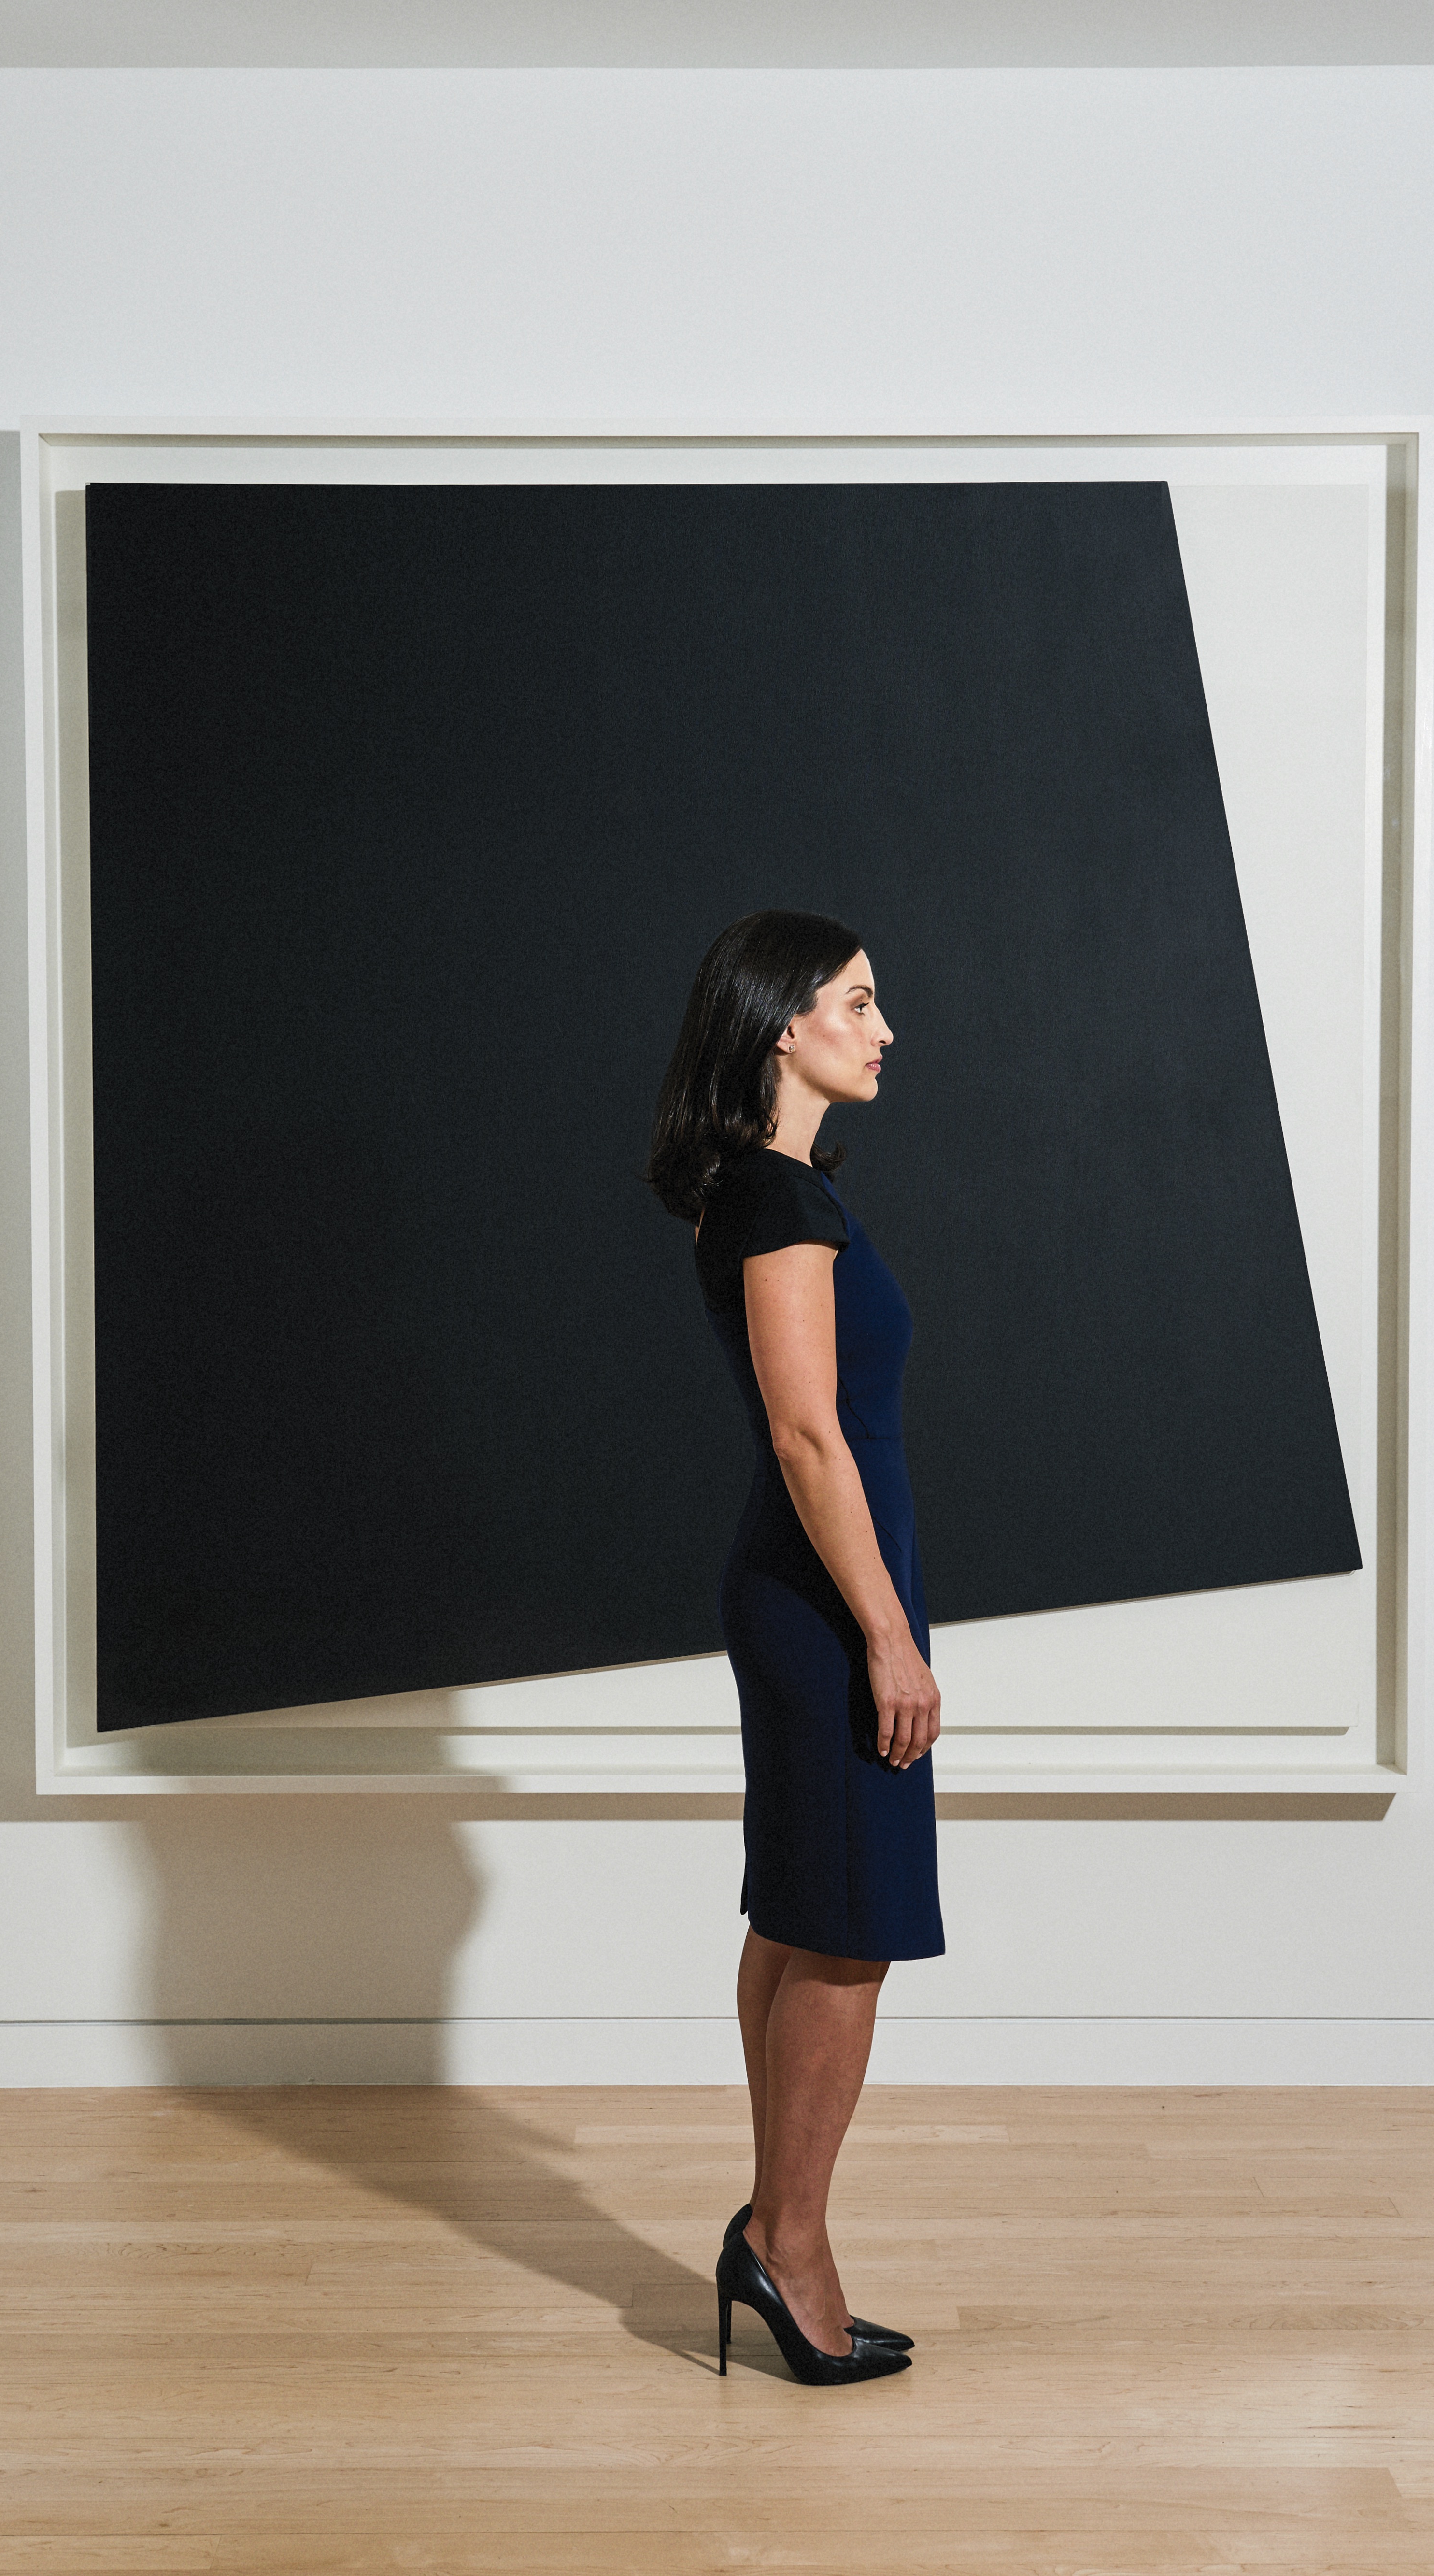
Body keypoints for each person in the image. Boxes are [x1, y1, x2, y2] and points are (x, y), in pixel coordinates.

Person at [646, 909, 944, 2389]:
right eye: (856, 1002)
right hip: (828, 1600)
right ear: (782, 1024)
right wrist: (887, 1631)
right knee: (845, 1926)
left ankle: (782, 2233)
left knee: (802, 1913)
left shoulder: (779, 1191)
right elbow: (807, 1433)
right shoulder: (776, 1201)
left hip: (816, 1590)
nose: (884, 1029)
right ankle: (792, 2247)